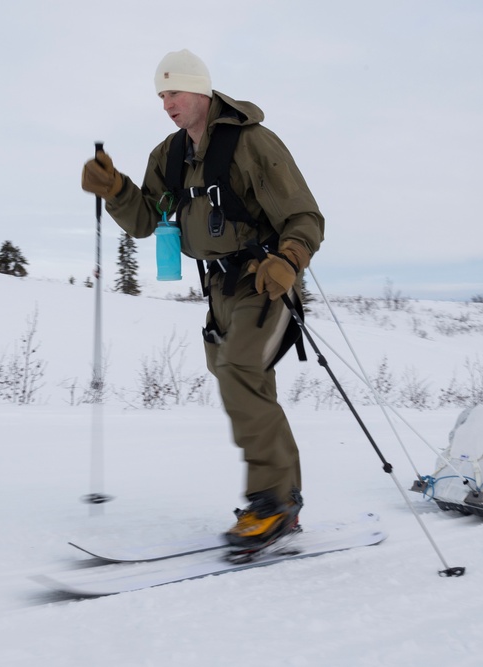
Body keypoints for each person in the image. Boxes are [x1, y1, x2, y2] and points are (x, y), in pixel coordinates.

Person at [81, 49, 325, 550]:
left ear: (201, 90)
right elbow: (147, 219)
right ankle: (284, 499)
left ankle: (272, 503)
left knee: (240, 372)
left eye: (174, 92)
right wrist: (115, 189)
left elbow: (304, 215)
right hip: (216, 288)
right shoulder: (168, 156)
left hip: (264, 279)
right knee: (242, 382)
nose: (166, 103)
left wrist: (289, 258)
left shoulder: (253, 144)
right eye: (160, 95)